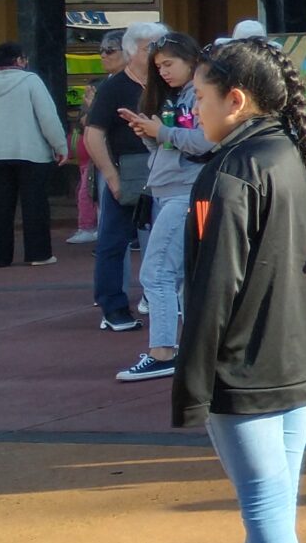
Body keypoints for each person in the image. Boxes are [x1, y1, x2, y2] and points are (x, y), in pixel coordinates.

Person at [154, 35, 306, 543]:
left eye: (198, 97)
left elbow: (213, 286)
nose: (190, 110)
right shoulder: (293, 153)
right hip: (295, 352)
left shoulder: (228, 171)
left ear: (235, 99)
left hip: (244, 361)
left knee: (264, 503)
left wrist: (191, 378)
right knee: (273, 502)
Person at [111, 33, 210, 383]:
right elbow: (172, 148)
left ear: (190, 59)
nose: (164, 72)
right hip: (171, 190)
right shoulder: (175, 98)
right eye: (159, 67)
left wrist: (159, 132)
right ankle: (183, 350)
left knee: (156, 273)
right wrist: (149, 132)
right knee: (182, 275)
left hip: (186, 192)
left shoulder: (198, 95)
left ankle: (163, 352)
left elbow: (205, 142)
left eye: (169, 64)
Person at [85, 22, 160, 331]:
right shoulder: (114, 87)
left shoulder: (170, 83)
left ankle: (162, 297)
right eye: (150, 47)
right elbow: (93, 134)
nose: (157, 53)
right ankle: (113, 307)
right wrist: (112, 177)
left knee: (166, 237)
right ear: (131, 52)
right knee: (114, 239)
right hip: (128, 169)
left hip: (168, 168)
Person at [0, 41, 66, 269]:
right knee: (35, 205)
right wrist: (60, 146)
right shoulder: (31, 81)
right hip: (31, 152)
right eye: (24, 58)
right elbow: (47, 117)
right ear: (19, 60)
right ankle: (39, 254)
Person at [71, 32, 125, 243]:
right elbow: (85, 121)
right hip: (104, 157)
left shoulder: (139, 83)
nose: (103, 55)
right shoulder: (101, 85)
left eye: (110, 50)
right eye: (101, 50)